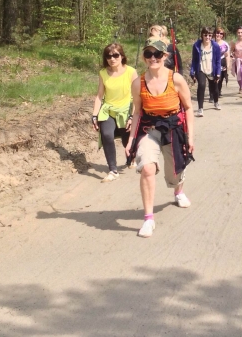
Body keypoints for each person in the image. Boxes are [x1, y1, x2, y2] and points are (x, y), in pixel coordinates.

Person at [124, 39, 195, 238]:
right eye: (148, 54)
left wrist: (190, 137)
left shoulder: (176, 79)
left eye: (157, 54)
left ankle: (178, 191)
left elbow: (188, 108)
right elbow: (137, 113)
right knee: (147, 168)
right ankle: (148, 218)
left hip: (173, 128)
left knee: (175, 170)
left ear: (165, 56)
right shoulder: (138, 83)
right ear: (144, 57)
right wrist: (131, 140)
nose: (153, 58)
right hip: (150, 128)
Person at [91, 43, 138, 182]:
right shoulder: (103, 73)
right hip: (108, 110)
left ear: (122, 56)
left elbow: (136, 97)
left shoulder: (131, 72)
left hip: (126, 110)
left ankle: (131, 158)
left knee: (126, 138)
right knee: (106, 135)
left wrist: (132, 116)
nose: (112, 59)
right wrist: (94, 115)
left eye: (115, 55)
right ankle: (113, 170)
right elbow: (99, 95)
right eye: (108, 56)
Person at [190, 27, 222, 115]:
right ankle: (200, 108)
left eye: (210, 35)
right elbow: (194, 60)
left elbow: (218, 61)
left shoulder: (215, 46)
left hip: (212, 70)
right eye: (205, 35)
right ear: (202, 35)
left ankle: (216, 102)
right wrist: (192, 72)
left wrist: (218, 73)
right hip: (201, 69)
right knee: (201, 85)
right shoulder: (196, 46)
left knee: (214, 88)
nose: (207, 37)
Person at [215, 28, 230, 98]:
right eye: (217, 33)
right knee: (213, 78)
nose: (219, 35)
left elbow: (227, 55)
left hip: (222, 62)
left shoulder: (225, 44)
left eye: (221, 33)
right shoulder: (211, 43)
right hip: (213, 63)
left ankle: (218, 91)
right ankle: (213, 93)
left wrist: (228, 65)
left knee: (220, 78)